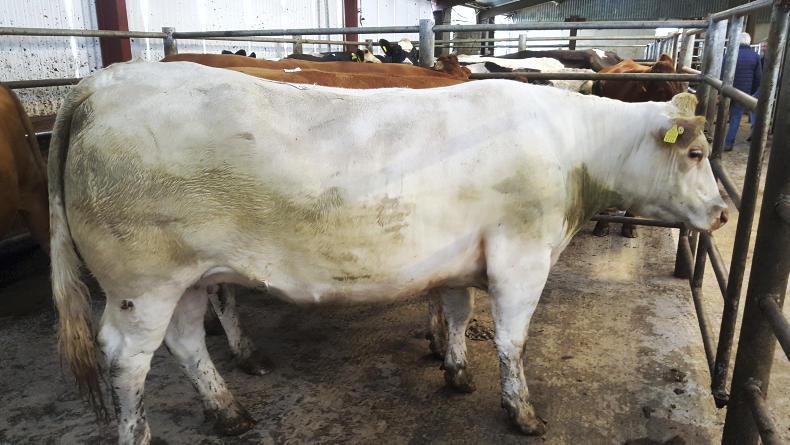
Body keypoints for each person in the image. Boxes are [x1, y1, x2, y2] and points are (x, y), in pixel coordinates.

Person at [725, 32, 762, 151]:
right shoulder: (755, 56)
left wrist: (721, 87)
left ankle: (714, 138)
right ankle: (728, 143)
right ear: (749, 42)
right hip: (743, 92)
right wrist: (751, 93)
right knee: (736, 116)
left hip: (727, 89)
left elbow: (722, 71)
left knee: (722, 113)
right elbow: (758, 78)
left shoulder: (730, 54)